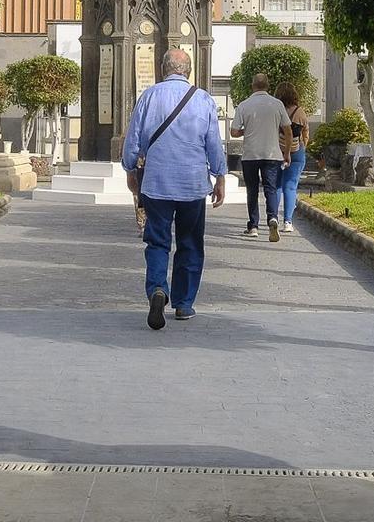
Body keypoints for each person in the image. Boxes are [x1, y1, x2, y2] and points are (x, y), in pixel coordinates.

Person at [121, 48, 226, 330]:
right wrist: (220, 176)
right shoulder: (203, 99)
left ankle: (157, 289)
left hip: (156, 183)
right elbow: (213, 143)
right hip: (192, 185)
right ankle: (184, 303)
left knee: (157, 241)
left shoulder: (149, 96)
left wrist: (130, 168)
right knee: (190, 243)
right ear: (188, 70)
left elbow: (133, 140)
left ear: (162, 68)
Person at [229, 73, 290, 240]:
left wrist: (245, 130)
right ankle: (272, 217)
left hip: (250, 154)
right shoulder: (277, 104)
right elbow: (287, 129)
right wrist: (287, 152)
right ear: (268, 86)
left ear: (252, 85)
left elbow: (234, 132)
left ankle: (253, 226)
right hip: (272, 153)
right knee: (271, 188)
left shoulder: (244, 105)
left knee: (252, 190)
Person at [274, 82, 307, 234]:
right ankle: (288, 221)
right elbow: (306, 133)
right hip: (296, 151)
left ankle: (273, 217)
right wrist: (303, 145)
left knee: (276, 186)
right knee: (290, 186)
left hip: (277, 150)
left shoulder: (275, 110)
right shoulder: (300, 112)